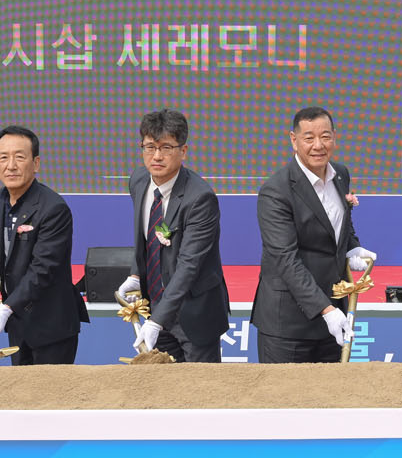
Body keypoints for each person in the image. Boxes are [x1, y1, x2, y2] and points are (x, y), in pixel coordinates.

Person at [251, 105, 373, 363]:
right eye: (309, 138)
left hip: (333, 316)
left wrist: (352, 245)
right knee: (284, 390)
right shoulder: (276, 191)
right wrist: (325, 310)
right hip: (288, 324)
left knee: (330, 389)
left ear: (334, 137)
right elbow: (285, 259)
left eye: (325, 136)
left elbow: (338, 222)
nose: (318, 145)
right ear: (293, 140)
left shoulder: (340, 174)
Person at [116, 108, 229, 362]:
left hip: (194, 312)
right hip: (156, 304)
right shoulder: (138, 181)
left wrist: (156, 321)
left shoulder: (200, 198)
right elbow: (146, 238)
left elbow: (189, 265)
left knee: (200, 384)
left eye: (166, 148)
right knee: (162, 382)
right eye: (150, 147)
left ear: (183, 151)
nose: (157, 156)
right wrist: (136, 274)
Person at [0, 125, 84, 365]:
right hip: (18, 324)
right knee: (20, 388)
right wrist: (3, 270)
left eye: (19, 157)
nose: (11, 166)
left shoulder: (53, 208)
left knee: (51, 389)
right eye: (3, 158)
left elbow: (43, 268)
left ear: (35, 163)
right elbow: (15, 248)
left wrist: (6, 308)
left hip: (51, 327)